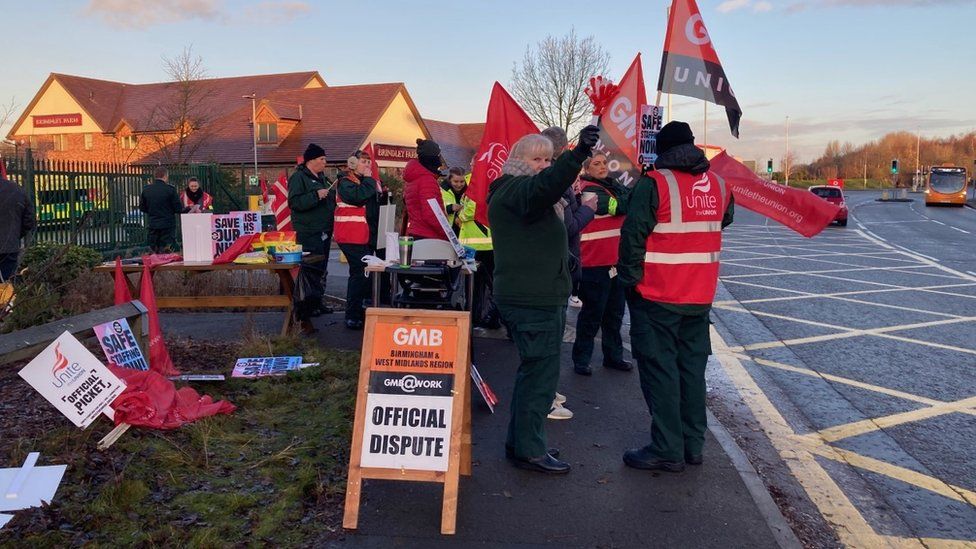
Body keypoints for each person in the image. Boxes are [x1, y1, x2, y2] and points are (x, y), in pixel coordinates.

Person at [617, 121, 734, 472]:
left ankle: (667, 448)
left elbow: (632, 238)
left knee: (660, 372)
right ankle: (692, 445)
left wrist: (629, 283)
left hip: (657, 295)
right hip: (699, 296)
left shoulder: (655, 184)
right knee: (692, 371)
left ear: (661, 151)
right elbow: (722, 219)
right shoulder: (719, 184)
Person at [487, 124, 600, 474]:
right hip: (532, 299)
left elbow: (541, 230)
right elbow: (544, 187)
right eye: (538, 159)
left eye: (549, 159)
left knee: (534, 373)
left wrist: (563, 262)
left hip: (538, 293)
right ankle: (530, 449)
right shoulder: (515, 189)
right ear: (519, 160)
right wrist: (578, 153)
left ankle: (521, 443)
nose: (545, 165)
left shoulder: (523, 193)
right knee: (540, 376)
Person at [541, 126, 596, 421]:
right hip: (558, 267)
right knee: (550, 339)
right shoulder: (553, 183)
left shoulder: (555, 182)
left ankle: (549, 390)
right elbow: (568, 227)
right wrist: (587, 209)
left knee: (553, 336)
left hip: (563, 265)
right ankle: (546, 397)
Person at [573, 152, 633, 376]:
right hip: (594, 262)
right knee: (592, 315)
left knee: (614, 314)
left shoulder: (609, 185)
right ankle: (581, 359)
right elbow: (619, 207)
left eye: (604, 163)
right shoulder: (590, 189)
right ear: (587, 169)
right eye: (596, 164)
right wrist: (631, 196)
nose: (602, 167)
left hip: (614, 261)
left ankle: (613, 356)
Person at [288, 143, 332, 335]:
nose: (325, 162)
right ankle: (306, 307)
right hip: (308, 230)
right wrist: (316, 195)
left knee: (321, 268)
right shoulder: (299, 178)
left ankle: (317, 302)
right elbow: (295, 202)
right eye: (322, 159)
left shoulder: (322, 178)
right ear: (311, 161)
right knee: (311, 269)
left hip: (324, 229)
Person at [335, 150, 381, 330]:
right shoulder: (345, 183)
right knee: (358, 274)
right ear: (353, 163)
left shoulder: (363, 182)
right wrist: (370, 180)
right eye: (363, 162)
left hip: (361, 235)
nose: (367, 165)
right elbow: (357, 197)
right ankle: (352, 315)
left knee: (363, 274)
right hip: (349, 235)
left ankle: (359, 311)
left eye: (369, 162)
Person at [403, 138, 447, 240]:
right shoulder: (427, 180)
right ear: (432, 158)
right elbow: (432, 214)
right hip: (428, 237)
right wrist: (446, 235)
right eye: (439, 156)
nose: (440, 160)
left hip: (416, 233)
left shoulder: (414, 178)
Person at [0, 174, 35, 282]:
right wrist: (15, 234)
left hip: (9, 244)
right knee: (8, 285)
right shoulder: (17, 190)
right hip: (9, 247)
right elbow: (29, 219)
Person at [139, 166, 182, 253]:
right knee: (167, 250)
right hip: (168, 225)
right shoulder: (170, 190)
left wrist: (152, 211)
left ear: (154, 176)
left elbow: (142, 207)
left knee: (154, 249)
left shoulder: (146, 190)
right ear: (165, 176)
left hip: (153, 224)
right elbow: (178, 208)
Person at [440, 167, 467, 234]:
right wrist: (450, 208)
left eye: (462, 181)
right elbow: (435, 210)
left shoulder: (469, 191)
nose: (459, 185)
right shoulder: (441, 190)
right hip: (447, 231)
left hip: (464, 230)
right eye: (456, 181)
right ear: (449, 180)